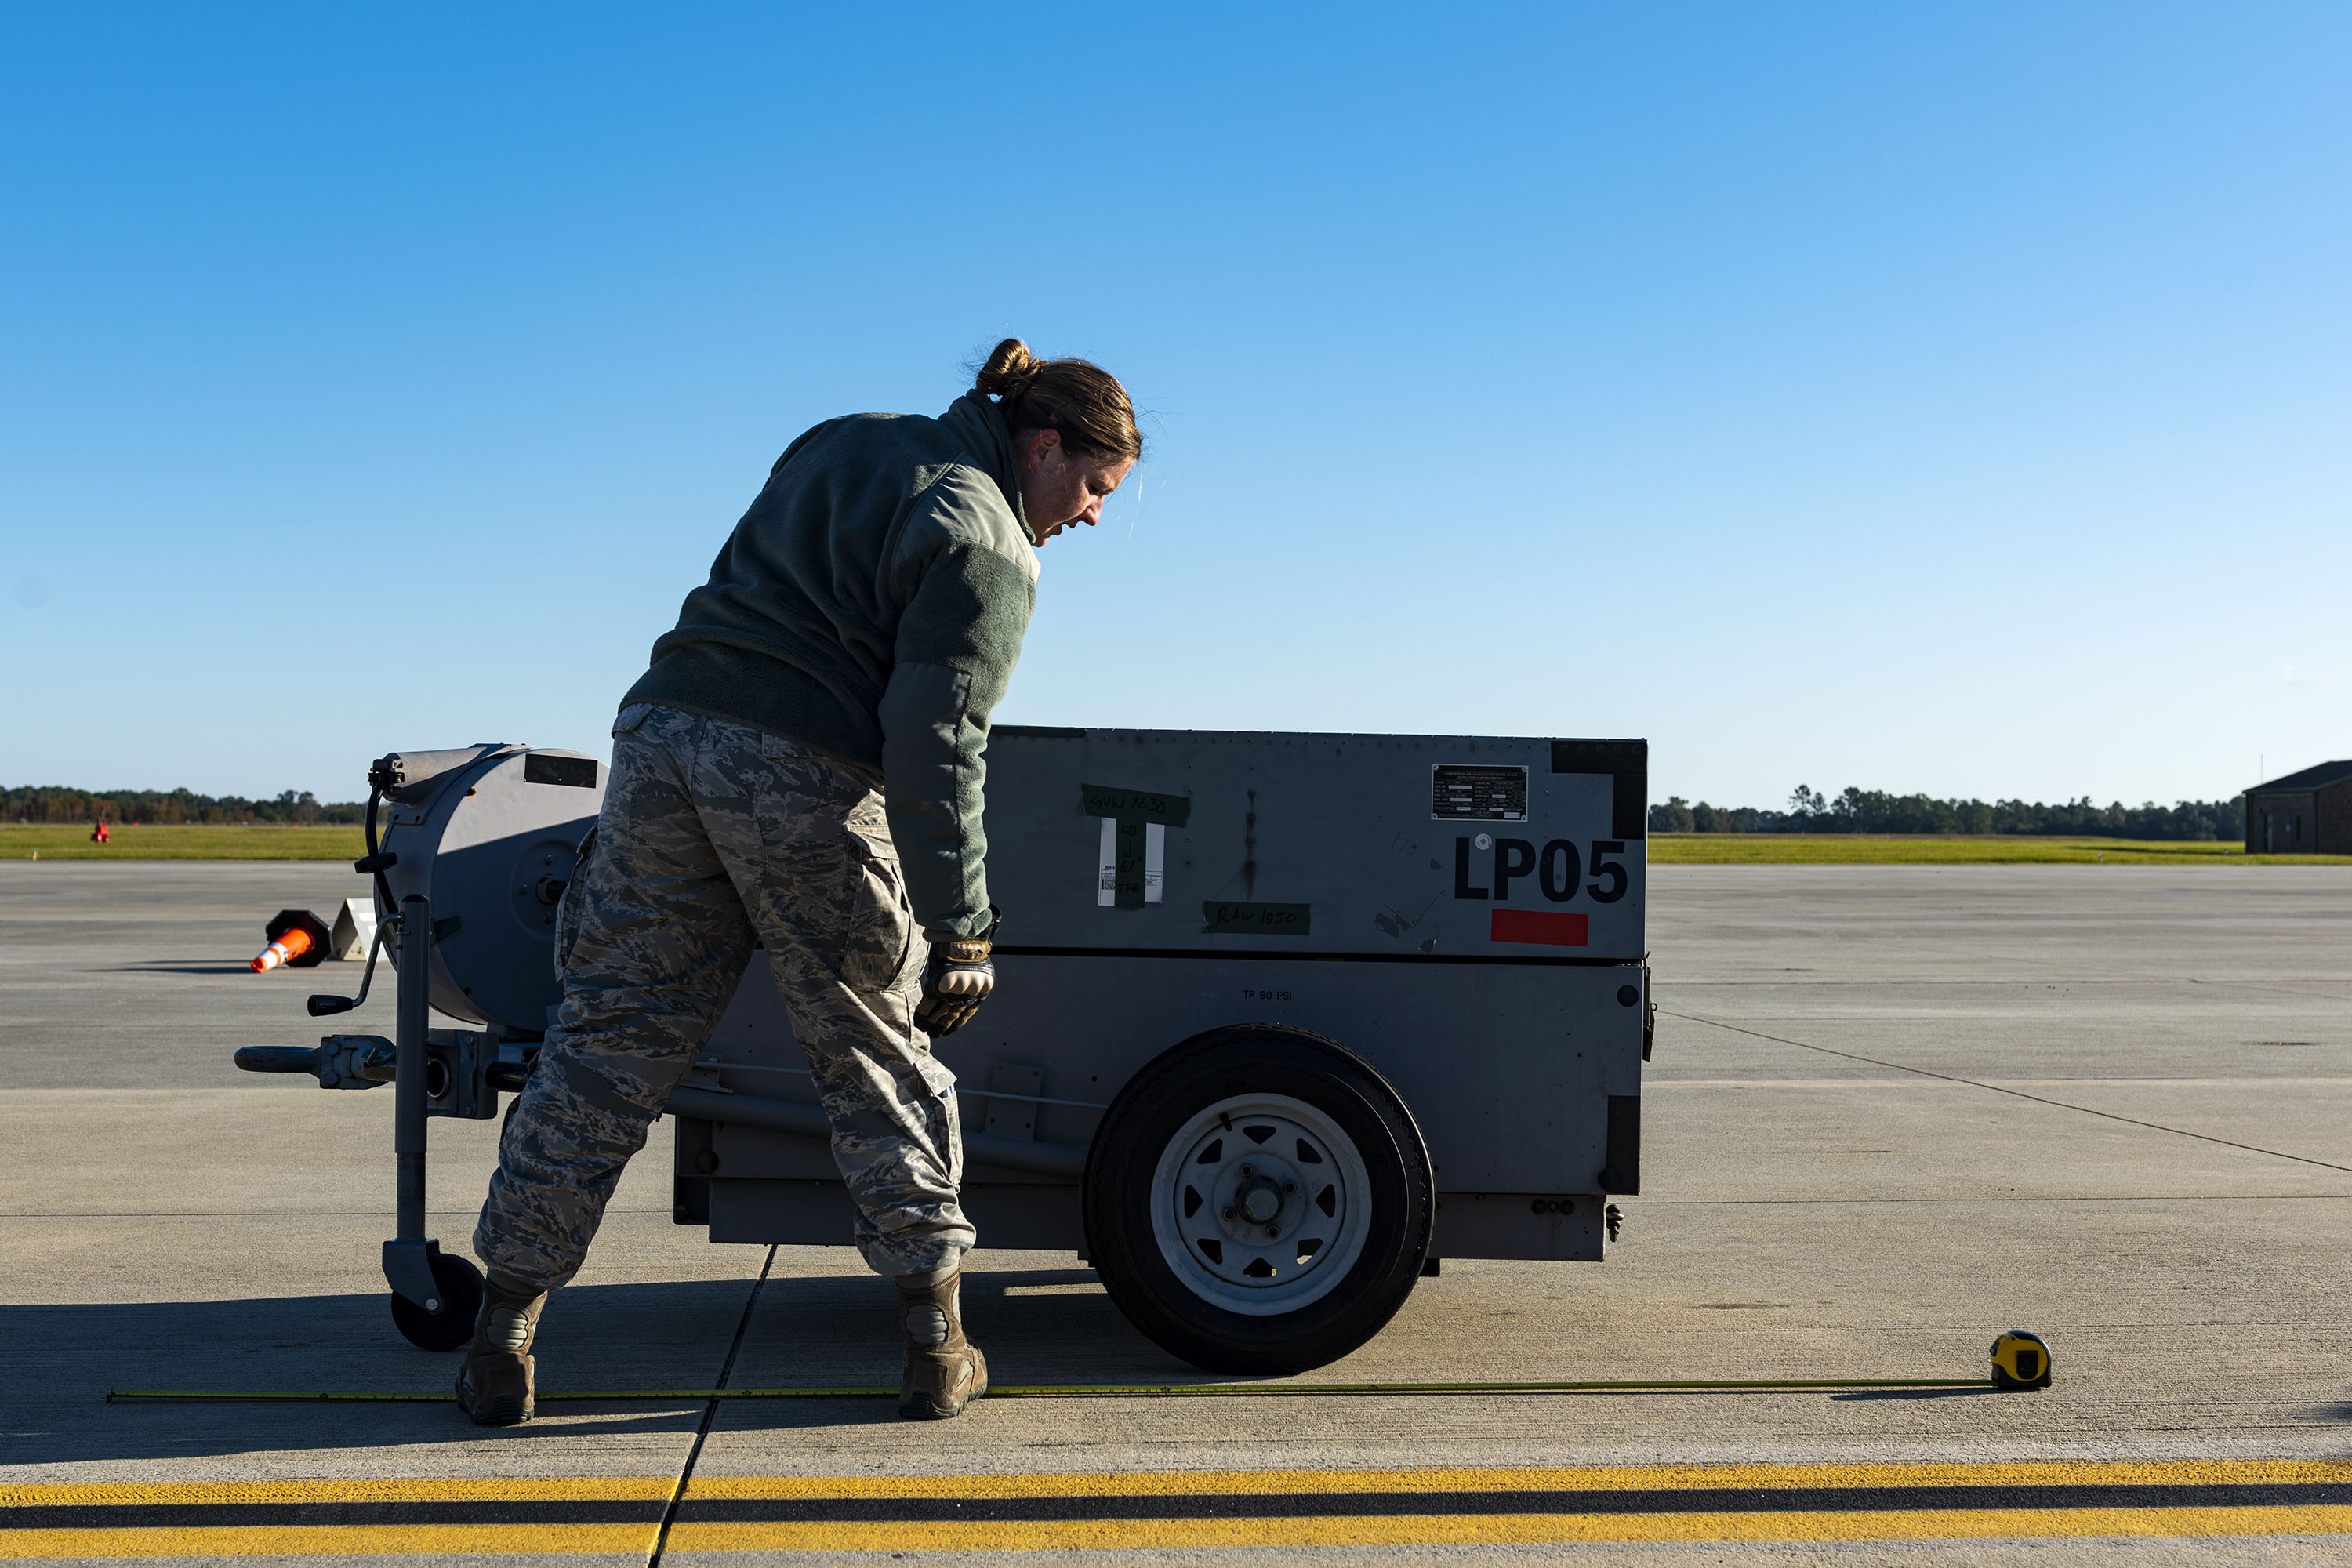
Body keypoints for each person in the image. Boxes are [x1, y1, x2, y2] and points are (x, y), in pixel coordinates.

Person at [456, 340, 1140, 1426]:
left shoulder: (846, 439)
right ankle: (936, 1346)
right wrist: (963, 928)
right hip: (799, 768)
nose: (1096, 516)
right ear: (1045, 446)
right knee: (875, 1053)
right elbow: (939, 741)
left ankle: (501, 1338)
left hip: (662, 733)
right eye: (1097, 488)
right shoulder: (990, 539)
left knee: (605, 1043)